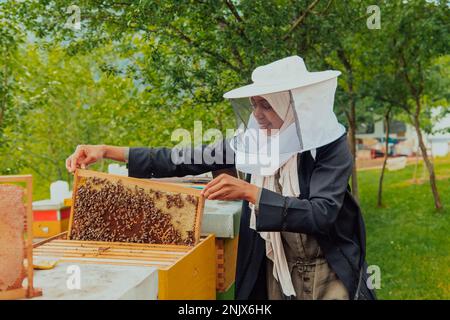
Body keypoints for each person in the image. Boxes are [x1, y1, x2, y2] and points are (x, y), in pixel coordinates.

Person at [66, 56, 376, 300]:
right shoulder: (253, 142)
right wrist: (107, 150)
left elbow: (322, 213)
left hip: (327, 269)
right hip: (275, 268)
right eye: (254, 104)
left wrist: (252, 193)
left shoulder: (329, 147)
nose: (256, 114)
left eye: (265, 105)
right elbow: (181, 159)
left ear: (292, 105)